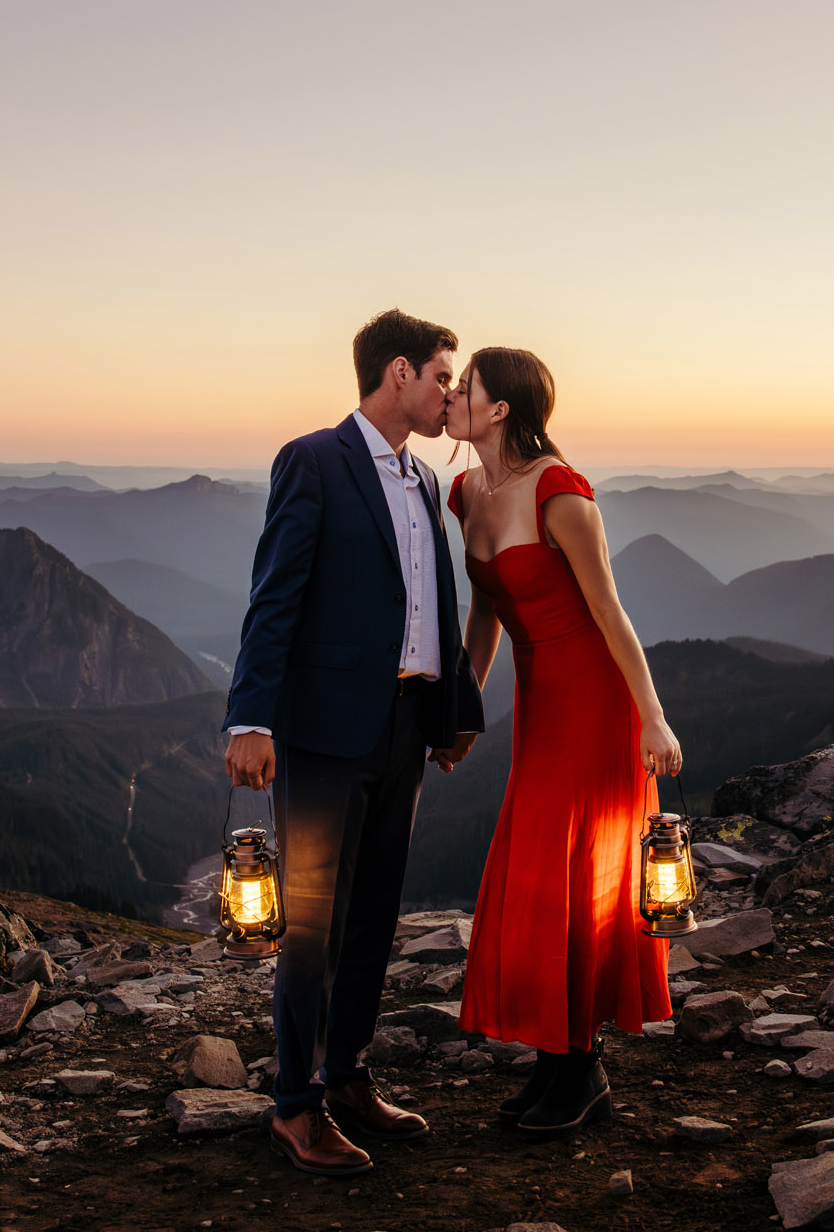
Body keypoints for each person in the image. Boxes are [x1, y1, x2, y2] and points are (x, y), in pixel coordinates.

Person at [222, 308, 487, 1177]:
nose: (450, 391)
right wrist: (250, 720)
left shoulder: (418, 478)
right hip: (324, 730)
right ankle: (295, 1107)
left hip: (404, 727)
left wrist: (450, 715)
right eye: (444, 376)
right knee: (312, 927)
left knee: (374, 914)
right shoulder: (314, 460)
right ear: (400, 371)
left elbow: (432, 608)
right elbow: (276, 593)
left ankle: (348, 1074)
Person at [443, 346, 681, 1136]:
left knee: (574, 870)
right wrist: (466, 709)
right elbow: (485, 616)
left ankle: (579, 1068)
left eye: (464, 387)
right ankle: (560, 1064)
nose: (450, 396)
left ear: (500, 408)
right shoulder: (466, 491)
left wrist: (651, 714)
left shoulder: (561, 493)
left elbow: (612, 613)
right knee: (545, 873)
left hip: (595, 698)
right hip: (541, 700)